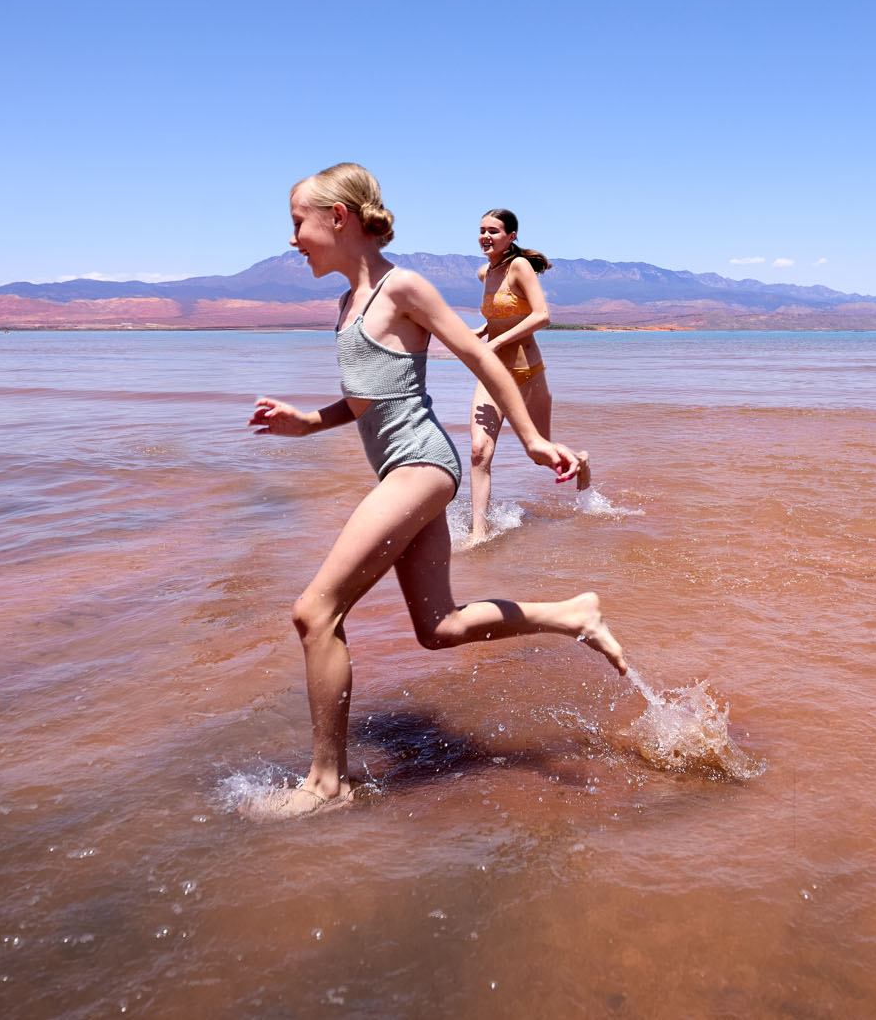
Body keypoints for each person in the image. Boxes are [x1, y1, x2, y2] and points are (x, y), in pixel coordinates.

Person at [249, 164, 628, 817]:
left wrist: (534, 440)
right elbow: (367, 397)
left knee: (315, 612)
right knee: (438, 626)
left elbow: (480, 356)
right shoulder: (348, 304)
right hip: (403, 469)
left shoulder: (404, 286)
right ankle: (573, 614)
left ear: (338, 217)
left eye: (297, 223)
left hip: (420, 467)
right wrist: (309, 421)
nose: (292, 239)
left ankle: (325, 785)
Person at [467, 209, 590, 542]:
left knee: (539, 454)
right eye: (481, 230)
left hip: (527, 371)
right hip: (492, 371)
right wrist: (483, 331)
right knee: (479, 451)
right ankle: (480, 533)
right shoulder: (485, 273)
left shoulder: (518, 268)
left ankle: (579, 460)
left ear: (511, 237)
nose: (485, 236)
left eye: (493, 230)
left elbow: (542, 316)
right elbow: (501, 314)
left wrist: (498, 341)